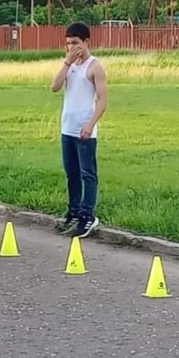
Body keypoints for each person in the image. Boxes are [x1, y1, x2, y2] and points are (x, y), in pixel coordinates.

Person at [50, 22, 108, 238]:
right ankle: (73, 211)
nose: (72, 47)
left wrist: (91, 123)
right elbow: (54, 87)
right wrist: (67, 62)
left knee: (87, 173)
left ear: (86, 42)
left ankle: (88, 215)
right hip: (68, 127)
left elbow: (103, 100)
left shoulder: (95, 67)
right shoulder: (70, 65)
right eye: (68, 44)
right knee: (71, 173)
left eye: (75, 43)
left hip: (85, 130)